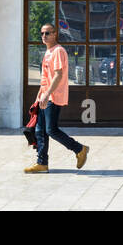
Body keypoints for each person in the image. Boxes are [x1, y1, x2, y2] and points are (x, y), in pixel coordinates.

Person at [24, 23, 90, 174]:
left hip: (53, 97)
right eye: (42, 33)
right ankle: (42, 163)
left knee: (51, 129)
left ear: (55, 34)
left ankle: (80, 149)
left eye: (47, 33)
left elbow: (58, 75)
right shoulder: (48, 52)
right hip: (44, 97)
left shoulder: (58, 51)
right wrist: (39, 96)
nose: (44, 36)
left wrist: (47, 95)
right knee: (40, 130)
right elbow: (45, 78)